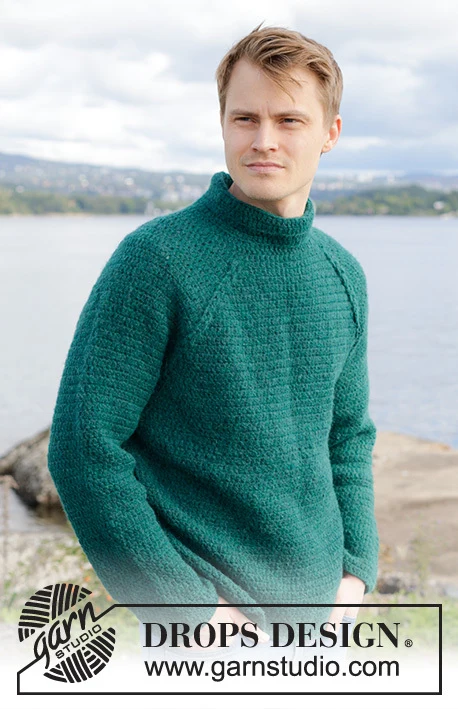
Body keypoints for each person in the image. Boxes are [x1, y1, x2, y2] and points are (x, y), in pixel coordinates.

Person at [47, 24, 379, 661]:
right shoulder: (157, 260)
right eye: (245, 118)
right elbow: (83, 448)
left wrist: (356, 571)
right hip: (204, 638)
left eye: (289, 120)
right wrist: (187, 610)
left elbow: (348, 436)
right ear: (222, 124)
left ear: (330, 133)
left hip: (320, 629)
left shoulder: (342, 274)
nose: (263, 140)